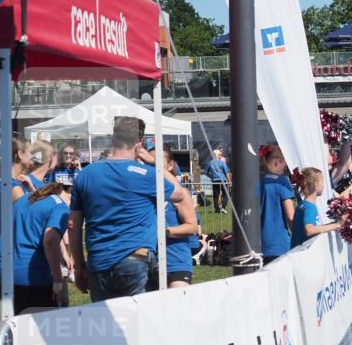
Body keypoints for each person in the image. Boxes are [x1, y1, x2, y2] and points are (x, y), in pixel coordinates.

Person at [69, 117, 190, 301]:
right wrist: (154, 163)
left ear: (112, 139)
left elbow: (73, 225)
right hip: (135, 260)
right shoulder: (146, 175)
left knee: (107, 325)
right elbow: (179, 193)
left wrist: (78, 267)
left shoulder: (85, 175)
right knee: (140, 323)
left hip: (99, 261)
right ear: (139, 144)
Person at [0, 179, 71, 314]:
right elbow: (50, 240)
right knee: (40, 330)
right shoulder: (60, 206)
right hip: (30, 278)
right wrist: (58, 279)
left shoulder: (27, 199)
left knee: (17, 324)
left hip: (1, 273)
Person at [145, 147, 199, 289]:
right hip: (148, 263)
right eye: (149, 165)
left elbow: (192, 227)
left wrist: (164, 232)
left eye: (155, 164)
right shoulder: (144, 192)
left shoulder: (180, 194)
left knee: (178, 308)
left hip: (175, 263)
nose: (152, 169)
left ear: (170, 165)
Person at [257, 145, 297, 265]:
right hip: (278, 244)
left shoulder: (255, 180)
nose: (284, 169)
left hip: (256, 243)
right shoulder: (281, 182)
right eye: (284, 165)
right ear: (276, 162)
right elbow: (290, 216)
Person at [291, 168, 342, 247]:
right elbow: (309, 230)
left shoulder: (302, 205)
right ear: (316, 185)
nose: (323, 185)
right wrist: (337, 225)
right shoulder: (309, 207)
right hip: (303, 254)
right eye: (322, 182)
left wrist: (334, 224)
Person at [206, 148, 231, 213]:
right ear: (217, 155)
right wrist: (229, 180)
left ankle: (217, 209)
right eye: (219, 155)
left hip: (214, 180)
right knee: (225, 194)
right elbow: (226, 172)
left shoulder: (210, 163)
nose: (220, 156)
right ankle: (223, 207)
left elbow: (206, 172)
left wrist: (211, 177)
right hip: (223, 180)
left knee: (216, 195)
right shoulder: (222, 163)